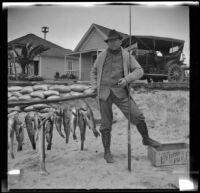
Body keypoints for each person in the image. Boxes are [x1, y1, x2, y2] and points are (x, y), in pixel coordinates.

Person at [90, 29, 161, 163]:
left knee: (137, 115)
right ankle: (107, 152)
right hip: (104, 93)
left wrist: (127, 79)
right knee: (106, 124)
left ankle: (146, 139)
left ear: (120, 41)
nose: (111, 43)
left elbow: (139, 70)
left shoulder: (127, 56)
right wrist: (94, 86)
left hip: (120, 92)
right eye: (109, 41)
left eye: (114, 41)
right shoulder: (101, 56)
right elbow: (93, 72)